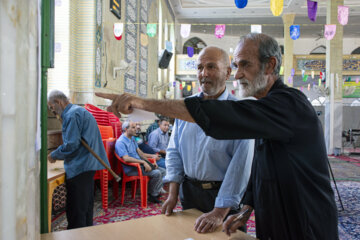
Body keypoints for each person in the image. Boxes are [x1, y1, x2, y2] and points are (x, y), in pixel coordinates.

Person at [95, 32, 339, 240]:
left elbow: (223, 118)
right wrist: (246, 210)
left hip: (304, 222)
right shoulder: (265, 109)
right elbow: (261, 168)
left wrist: (143, 103)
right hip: (274, 218)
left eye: (245, 65)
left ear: (270, 65)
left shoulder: (288, 105)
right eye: (237, 65)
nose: (239, 73)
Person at [161, 46, 254, 233]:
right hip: (190, 192)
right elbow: (174, 152)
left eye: (211, 67)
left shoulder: (240, 113)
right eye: (199, 67)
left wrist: (220, 212)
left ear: (227, 72)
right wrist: (173, 193)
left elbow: (241, 166)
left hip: (224, 197)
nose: (204, 73)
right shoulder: (186, 108)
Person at [47, 90, 110, 229]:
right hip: (88, 165)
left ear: (58, 102)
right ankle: (85, 233)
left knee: (76, 210)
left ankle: (77, 235)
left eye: (52, 107)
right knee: (85, 206)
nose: (53, 112)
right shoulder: (79, 111)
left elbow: (71, 145)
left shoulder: (71, 115)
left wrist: (54, 155)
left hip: (80, 166)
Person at [115, 121, 166, 203]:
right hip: (132, 168)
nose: (136, 129)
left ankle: (152, 192)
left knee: (163, 171)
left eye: (135, 127)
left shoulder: (132, 139)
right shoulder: (120, 142)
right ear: (126, 129)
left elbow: (141, 153)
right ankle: (153, 195)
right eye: (133, 127)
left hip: (140, 165)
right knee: (157, 173)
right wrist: (143, 162)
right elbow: (126, 158)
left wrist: (151, 161)